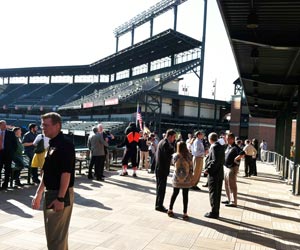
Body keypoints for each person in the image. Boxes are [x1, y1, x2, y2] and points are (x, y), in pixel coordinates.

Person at [32, 112, 75, 250]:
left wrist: (61, 198)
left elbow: (66, 174)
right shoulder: (53, 143)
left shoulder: (65, 145)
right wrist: (38, 194)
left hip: (59, 194)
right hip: (51, 192)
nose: (42, 128)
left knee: (56, 239)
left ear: (57, 126)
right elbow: (47, 172)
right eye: (42, 125)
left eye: (46, 125)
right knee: (55, 236)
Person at [167, 141, 193, 220]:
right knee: (185, 196)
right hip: (186, 178)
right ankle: (185, 213)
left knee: (175, 193)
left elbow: (173, 164)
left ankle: (170, 209)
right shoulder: (189, 156)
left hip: (177, 178)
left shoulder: (175, 156)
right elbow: (191, 167)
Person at [203, 132, 225, 219]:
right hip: (220, 173)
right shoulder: (221, 146)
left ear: (210, 139)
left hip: (214, 174)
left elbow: (214, 161)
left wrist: (208, 170)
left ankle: (214, 212)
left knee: (213, 193)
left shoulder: (214, 146)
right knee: (217, 194)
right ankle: (216, 210)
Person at [155, 129, 176, 212]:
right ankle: (159, 205)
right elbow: (168, 155)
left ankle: (159, 204)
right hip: (162, 169)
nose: (174, 138)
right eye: (174, 137)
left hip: (161, 168)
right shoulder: (165, 144)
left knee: (160, 187)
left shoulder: (163, 142)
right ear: (170, 136)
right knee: (161, 188)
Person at [223, 133, 242, 207]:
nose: (226, 140)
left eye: (228, 139)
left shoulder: (235, 147)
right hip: (226, 167)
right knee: (226, 184)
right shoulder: (228, 146)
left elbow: (243, 153)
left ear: (233, 139)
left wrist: (236, 159)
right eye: (226, 138)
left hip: (232, 168)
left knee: (232, 185)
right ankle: (229, 199)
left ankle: (234, 202)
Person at [0, 120, 17, 189]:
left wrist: (11, 153)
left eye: (5, 124)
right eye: (3, 125)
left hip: (8, 154)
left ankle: (5, 185)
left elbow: (15, 145)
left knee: (7, 169)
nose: (5, 126)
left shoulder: (11, 133)